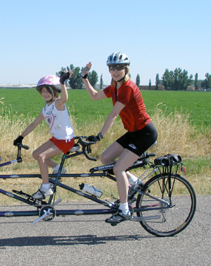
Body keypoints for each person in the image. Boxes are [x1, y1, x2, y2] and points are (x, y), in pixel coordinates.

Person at [81, 52, 158, 225]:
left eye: (119, 67)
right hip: (133, 132)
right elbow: (94, 96)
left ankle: (124, 209)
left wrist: (100, 136)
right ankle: (135, 182)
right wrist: (85, 78)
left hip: (145, 133)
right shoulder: (114, 87)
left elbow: (113, 114)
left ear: (126, 69)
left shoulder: (128, 88)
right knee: (105, 158)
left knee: (118, 169)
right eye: (112, 68)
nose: (115, 71)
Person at [13, 71, 75, 200]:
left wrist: (63, 83)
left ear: (55, 92)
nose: (45, 94)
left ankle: (45, 188)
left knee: (41, 157)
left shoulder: (58, 103)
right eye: (43, 91)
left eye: (48, 91)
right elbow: (34, 124)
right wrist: (21, 136)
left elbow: (65, 98)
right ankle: (58, 169)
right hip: (56, 139)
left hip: (66, 139)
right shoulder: (46, 108)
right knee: (35, 154)